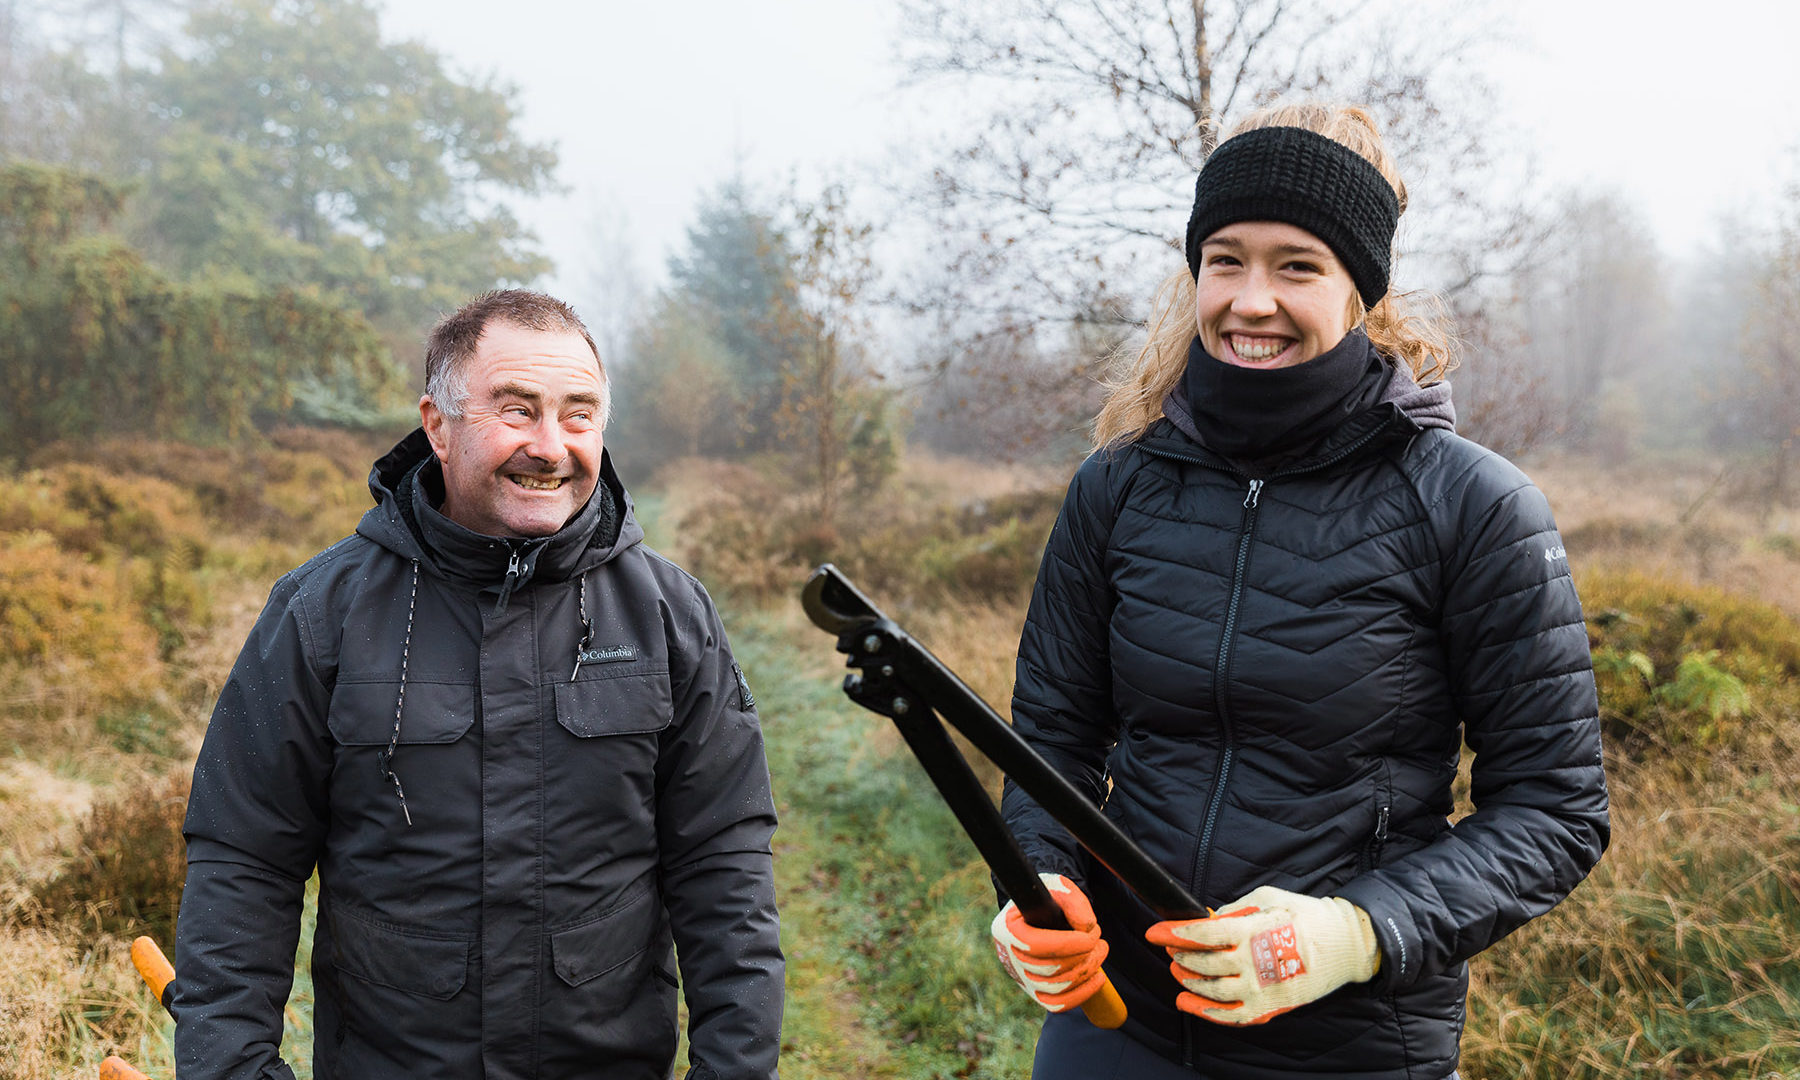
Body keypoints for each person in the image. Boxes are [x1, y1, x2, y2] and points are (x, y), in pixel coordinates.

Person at [987, 103, 1610, 1080]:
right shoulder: (1117, 487)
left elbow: (1556, 809)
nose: (1251, 298)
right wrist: (1038, 880)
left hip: (1351, 1049)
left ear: (1359, 289)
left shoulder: (1472, 507)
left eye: (1298, 265)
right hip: (1120, 1030)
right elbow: (1049, 745)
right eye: (1226, 259)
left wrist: (1352, 933)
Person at [173, 290, 783, 1080]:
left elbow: (723, 863)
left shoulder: (668, 614)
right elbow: (243, 862)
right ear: (437, 425)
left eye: (579, 414)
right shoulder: (320, 612)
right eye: (518, 410)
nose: (551, 445)